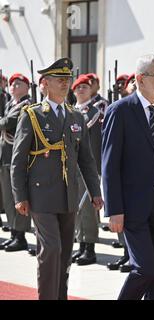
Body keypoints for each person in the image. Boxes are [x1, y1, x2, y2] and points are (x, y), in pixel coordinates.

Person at [11, 58, 103, 300]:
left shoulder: (75, 116)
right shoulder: (32, 115)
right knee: (51, 249)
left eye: (67, 80)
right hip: (40, 195)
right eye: (60, 80)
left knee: (64, 255)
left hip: (68, 195)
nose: (65, 84)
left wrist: (95, 191)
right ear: (45, 83)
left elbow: (87, 160)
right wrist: (19, 196)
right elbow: (18, 160)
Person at [102, 54, 154, 300]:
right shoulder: (121, 110)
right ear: (140, 79)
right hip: (132, 207)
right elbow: (110, 164)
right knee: (145, 268)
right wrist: (114, 209)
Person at [71, 75, 103, 266]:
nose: (81, 90)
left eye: (85, 87)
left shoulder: (95, 113)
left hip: (87, 166)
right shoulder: (71, 111)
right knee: (76, 207)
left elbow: (96, 143)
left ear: (91, 91)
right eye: (78, 87)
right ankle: (81, 244)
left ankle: (89, 247)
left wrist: (97, 168)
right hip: (71, 167)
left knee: (88, 208)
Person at [0, 73, 32, 252]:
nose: (13, 86)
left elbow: (9, 122)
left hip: (17, 156)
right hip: (5, 155)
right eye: (11, 84)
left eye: (18, 83)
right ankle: (13, 232)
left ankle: (20, 236)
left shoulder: (26, 105)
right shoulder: (9, 104)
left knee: (17, 196)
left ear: (27, 87)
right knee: (7, 198)